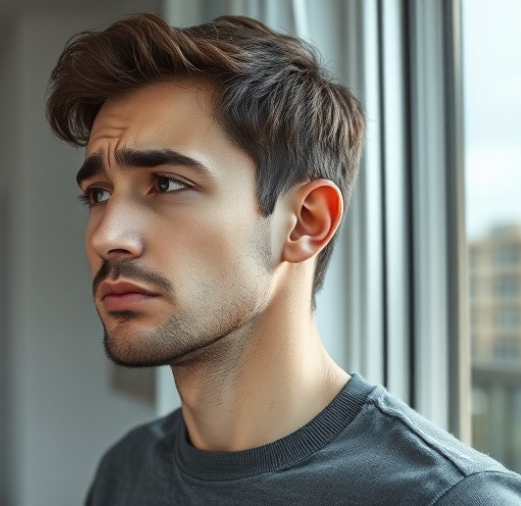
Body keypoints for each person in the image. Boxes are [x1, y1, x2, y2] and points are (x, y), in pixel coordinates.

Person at [45, 13, 521, 505]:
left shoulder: (452, 498)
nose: (107, 236)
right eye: (98, 194)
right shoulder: (126, 471)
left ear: (305, 222)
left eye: (166, 184)